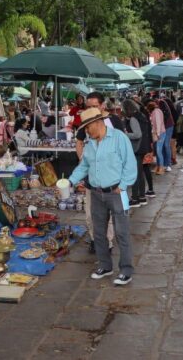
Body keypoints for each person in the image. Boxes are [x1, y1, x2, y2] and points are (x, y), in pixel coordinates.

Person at [68, 108, 137, 286]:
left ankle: (126, 270)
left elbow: (130, 163)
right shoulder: (90, 143)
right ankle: (106, 266)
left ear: (97, 123)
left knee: (122, 233)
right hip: (96, 193)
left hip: (116, 193)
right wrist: (70, 181)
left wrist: (122, 186)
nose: (86, 132)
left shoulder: (119, 138)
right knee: (99, 233)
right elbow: (84, 166)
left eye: (87, 127)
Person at [75, 92, 125, 252]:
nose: (91, 109)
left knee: (109, 215)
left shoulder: (114, 121)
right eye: (88, 107)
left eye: (94, 106)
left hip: (111, 177)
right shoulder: (85, 122)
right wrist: (83, 161)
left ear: (102, 106)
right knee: (90, 214)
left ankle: (107, 243)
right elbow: (79, 142)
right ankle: (95, 239)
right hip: (92, 177)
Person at [122, 99, 152, 208]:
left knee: (134, 174)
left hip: (136, 148)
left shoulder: (133, 119)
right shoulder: (142, 116)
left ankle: (135, 198)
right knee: (140, 173)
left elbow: (137, 134)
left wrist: (125, 134)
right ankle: (142, 197)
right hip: (143, 147)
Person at [146, 100, 166, 175]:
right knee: (157, 151)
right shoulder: (155, 112)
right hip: (158, 133)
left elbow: (158, 123)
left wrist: (158, 133)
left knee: (158, 151)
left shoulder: (156, 112)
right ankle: (158, 166)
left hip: (160, 133)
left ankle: (161, 167)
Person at [156, 97, 175, 172]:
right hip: (163, 127)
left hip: (168, 126)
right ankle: (163, 163)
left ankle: (168, 164)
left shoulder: (161, 103)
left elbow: (165, 116)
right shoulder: (159, 103)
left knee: (166, 144)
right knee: (162, 145)